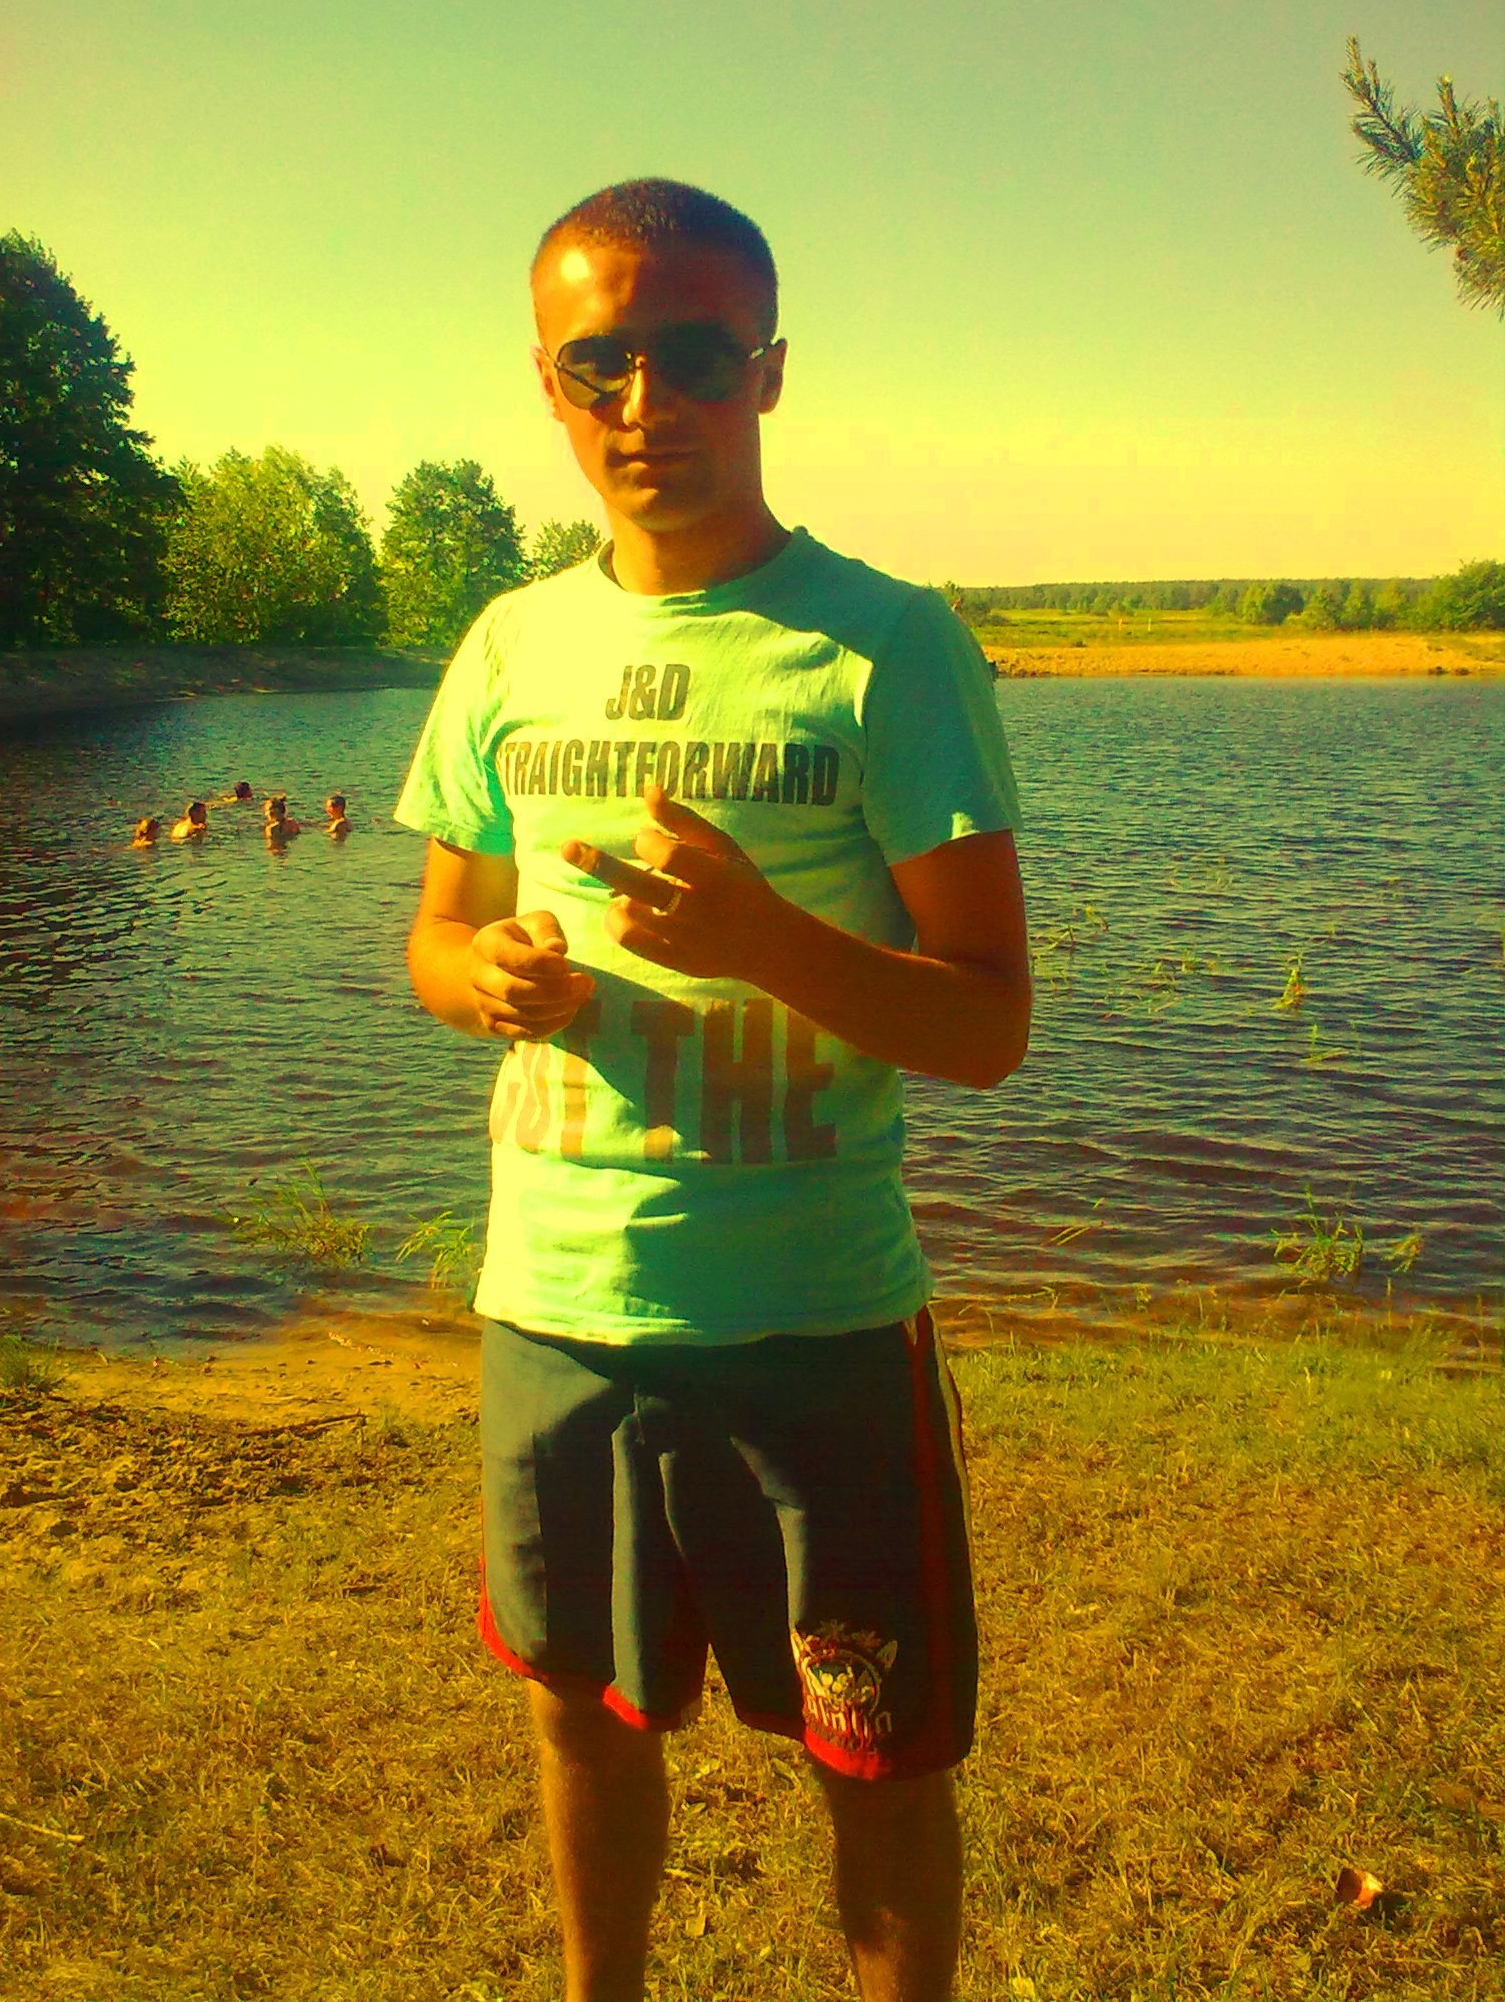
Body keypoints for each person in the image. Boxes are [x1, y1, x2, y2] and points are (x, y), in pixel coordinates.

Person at [396, 178, 1030, 2002]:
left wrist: (765, 940)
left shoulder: (886, 644)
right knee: (586, 1720)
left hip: (816, 1320)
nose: (644, 401)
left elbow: (987, 1023)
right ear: (547, 381)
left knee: (876, 1756)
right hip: (556, 1308)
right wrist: (489, 978)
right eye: (599, 362)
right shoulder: (509, 645)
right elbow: (437, 936)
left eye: (691, 355)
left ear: (766, 370)